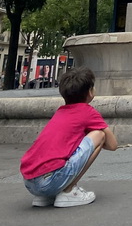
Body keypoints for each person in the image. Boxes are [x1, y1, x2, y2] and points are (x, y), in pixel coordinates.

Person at [19, 66, 118, 208]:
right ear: (90, 92)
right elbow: (113, 145)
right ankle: (68, 190)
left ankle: (47, 196)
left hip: (30, 183)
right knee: (99, 135)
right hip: (50, 182)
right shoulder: (87, 112)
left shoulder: (61, 112)